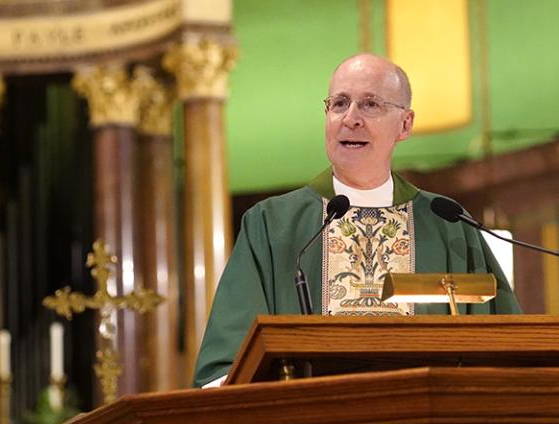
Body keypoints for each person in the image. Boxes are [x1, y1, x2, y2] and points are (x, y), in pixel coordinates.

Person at [193, 53, 520, 387]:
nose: (350, 119)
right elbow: (227, 370)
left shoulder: (448, 224)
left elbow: (509, 355)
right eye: (339, 103)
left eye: (370, 105)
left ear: (405, 124)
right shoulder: (272, 225)